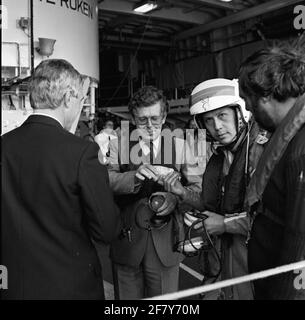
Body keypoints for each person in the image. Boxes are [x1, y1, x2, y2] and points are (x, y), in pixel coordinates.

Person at [1, 59, 120, 300]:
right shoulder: (82, 153)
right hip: (68, 286)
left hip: (12, 285)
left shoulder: (3, 146)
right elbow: (106, 231)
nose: (79, 107)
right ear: (68, 98)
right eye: (80, 100)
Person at [162, 78, 268, 300]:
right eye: (209, 120)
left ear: (240, 114)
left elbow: (269, 218)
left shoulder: (261, 152)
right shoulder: (220, 157)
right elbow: (212, 204)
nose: (217, 127)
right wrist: (182, 193)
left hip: (252, 263)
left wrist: (224, 224)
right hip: (222, 261)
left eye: (222, 116)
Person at [107, 85, 203, 299]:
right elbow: (106, 180)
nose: (149, 126)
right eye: (142, 120)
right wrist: (133, 177)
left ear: (165, 115)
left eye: (155, 118)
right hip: (127, 241)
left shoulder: (182, 145)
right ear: (132, 118)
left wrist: (176, 197)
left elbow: (198, 190)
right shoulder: (118, 144)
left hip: (167, 243)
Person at [239, 44, 305, 300]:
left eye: (248, 102)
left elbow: (300, 247)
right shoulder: (289, 138)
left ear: (264, 95)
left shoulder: (300, 150)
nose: (248, 110)